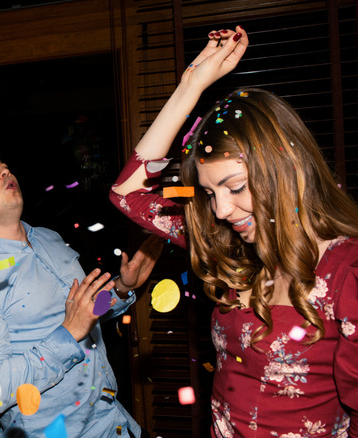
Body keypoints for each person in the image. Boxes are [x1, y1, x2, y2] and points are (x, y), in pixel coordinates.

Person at [111, 26, 358, 435]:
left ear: (288, 171)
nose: (222, 210)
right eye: (209, 193)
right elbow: (127, 193)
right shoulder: (230, 247)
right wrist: (192, 84)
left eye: (236, 187)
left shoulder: (346, 273)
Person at [0, 152, 164, 437]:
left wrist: (122, 288)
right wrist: (68, 333)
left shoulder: (49, 238)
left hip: (116, 423)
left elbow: (86, 312)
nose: (5, 172)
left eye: (5, 167)